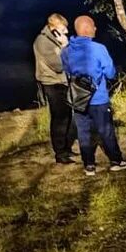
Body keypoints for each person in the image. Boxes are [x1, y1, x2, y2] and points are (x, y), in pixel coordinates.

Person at [60, 15, 126, 176]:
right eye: (93, 26)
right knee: (106, 130)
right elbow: (110, 72)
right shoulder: (98, 49)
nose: (95, 29)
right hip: (98, 99)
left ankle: (89, 166)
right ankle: (116, 161)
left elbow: (66, 71)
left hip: (78, 98)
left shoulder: (66, 51)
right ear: (87, 29)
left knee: (83, 132)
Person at [33, 13, 78, 164]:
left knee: (67, 116)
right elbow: (58, 65)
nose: (66, 31)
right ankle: (60, 153)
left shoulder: (56, 40)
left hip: (63, 82)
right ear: (53, 28)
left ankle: (66, 148)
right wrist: (65, 47)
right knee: (59, 118)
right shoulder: (43, 42)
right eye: (63, 27)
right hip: (53, 83)